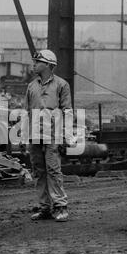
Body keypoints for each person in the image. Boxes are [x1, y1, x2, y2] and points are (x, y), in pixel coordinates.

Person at [24, 49, 72, 222]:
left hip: (53, 134)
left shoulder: (61, 85)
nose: (34, 64)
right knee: (39, 171)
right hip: (35, 134)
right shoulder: (31, 86)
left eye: (37, 62)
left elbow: (67, 111)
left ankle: (60, 206)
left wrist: (66, 135)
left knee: (53, 170)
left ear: (48, 65)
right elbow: (27, 111)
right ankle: (44, 207)